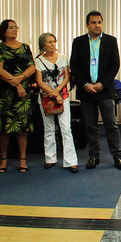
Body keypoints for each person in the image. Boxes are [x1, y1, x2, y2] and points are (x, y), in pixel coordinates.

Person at [70, 11, 121, 170]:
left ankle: (118, 156)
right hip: (86, 91)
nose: (97, 25)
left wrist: (103, 83)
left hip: (105, 90)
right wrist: (85, 84)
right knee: (91, 126)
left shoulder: (110, 41)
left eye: (99, 22)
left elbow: (115, 65)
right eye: (93, 22)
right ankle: (94, 156)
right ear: (87, 25)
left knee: (111, 125)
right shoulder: (78, 42)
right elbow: (74, 65)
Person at [0, 19, 36, 173]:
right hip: (5, 92)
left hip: (22, 93)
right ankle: (3, 159)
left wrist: (21, 78)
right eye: (10, 28)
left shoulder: (25, 47)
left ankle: (23, 159)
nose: (14, 30)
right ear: (4, 31)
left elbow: (32, 67)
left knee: (22, 127)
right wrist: (16, 83)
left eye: (16, 27)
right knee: (4, 128)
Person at [35, 33, 78, 172]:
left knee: (66, 128)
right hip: (46, 98)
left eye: (54, 41)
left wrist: (58, 91)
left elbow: (67, 77)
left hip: (62, 97)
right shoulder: (38, 61)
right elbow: (40, 81)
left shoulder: (63, 58)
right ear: (43, 45)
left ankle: (70, 161)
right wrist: (53, 93)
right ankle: (50, 158)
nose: (53, 44)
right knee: (48, 129)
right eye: (49, 42)